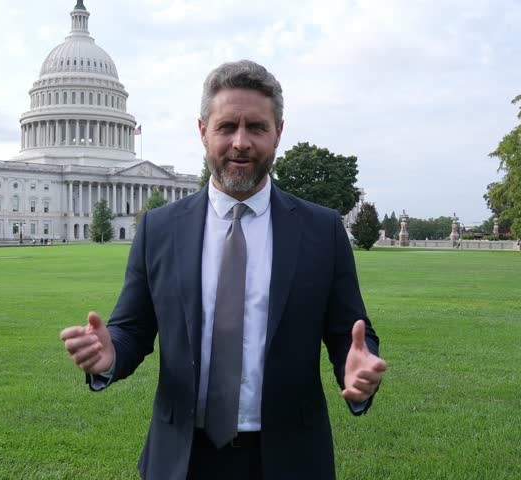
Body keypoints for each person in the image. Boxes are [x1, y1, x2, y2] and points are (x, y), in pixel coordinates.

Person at [60, 60, 387, 479]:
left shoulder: (321, 230)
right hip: (181, 460)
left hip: (290, 459)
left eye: (257, 127)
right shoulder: (159, 229)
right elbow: (134, 329)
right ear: (202, 132)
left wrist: (357, 366)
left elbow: (349, 333)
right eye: (227, 126)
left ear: (278, 133)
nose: (241, 142)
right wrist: (109, 356)